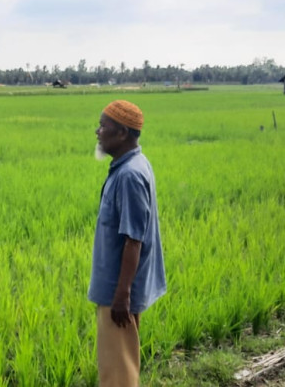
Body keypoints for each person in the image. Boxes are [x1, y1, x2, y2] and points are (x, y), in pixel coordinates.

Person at [89, 100, 166, 387]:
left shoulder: (130, 175)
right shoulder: (132, 165)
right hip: (118, 289)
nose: (98, 132)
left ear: (121, 133)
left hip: (117, 291)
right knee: (122, 364)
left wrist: (122, 295)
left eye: (103, 126)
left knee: (118, 374)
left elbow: (134, 240)